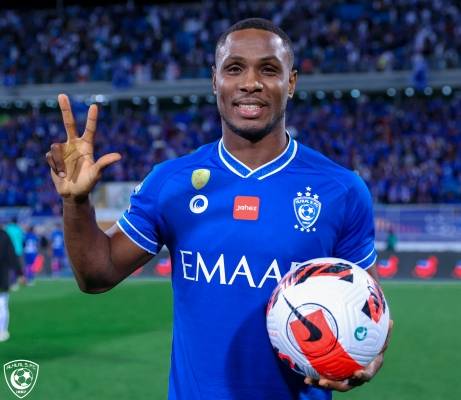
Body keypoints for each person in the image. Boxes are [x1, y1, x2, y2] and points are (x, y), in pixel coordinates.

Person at [46, 18, 392, 400]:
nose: (250, 83)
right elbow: (97, 275)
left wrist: (369, 356)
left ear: (291, 82)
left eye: (269, 69)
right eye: (234, 68)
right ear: (215, 80)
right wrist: (75, 202)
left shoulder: (342, 190)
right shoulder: (171, 182)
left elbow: (369, 308)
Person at [0, 226, 24, 342]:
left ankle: (2, 331)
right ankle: (2, 331)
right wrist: (19, 273)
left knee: (2, 303)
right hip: (2, 275)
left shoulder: (4, 235)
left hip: (2, 275)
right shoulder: (4, 235)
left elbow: (11, 255)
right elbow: (12, 255)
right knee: (2, 304)